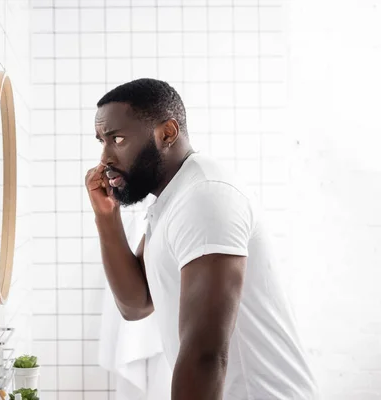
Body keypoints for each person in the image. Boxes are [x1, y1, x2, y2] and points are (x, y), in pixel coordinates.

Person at [85, 78, 318, 399]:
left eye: (118, 139)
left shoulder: (204, 196)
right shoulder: (173, 198)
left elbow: (204, 354)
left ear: (167, 133)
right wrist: (106, 218)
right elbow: (137, 304)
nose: (105, 158)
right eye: (102, 141)